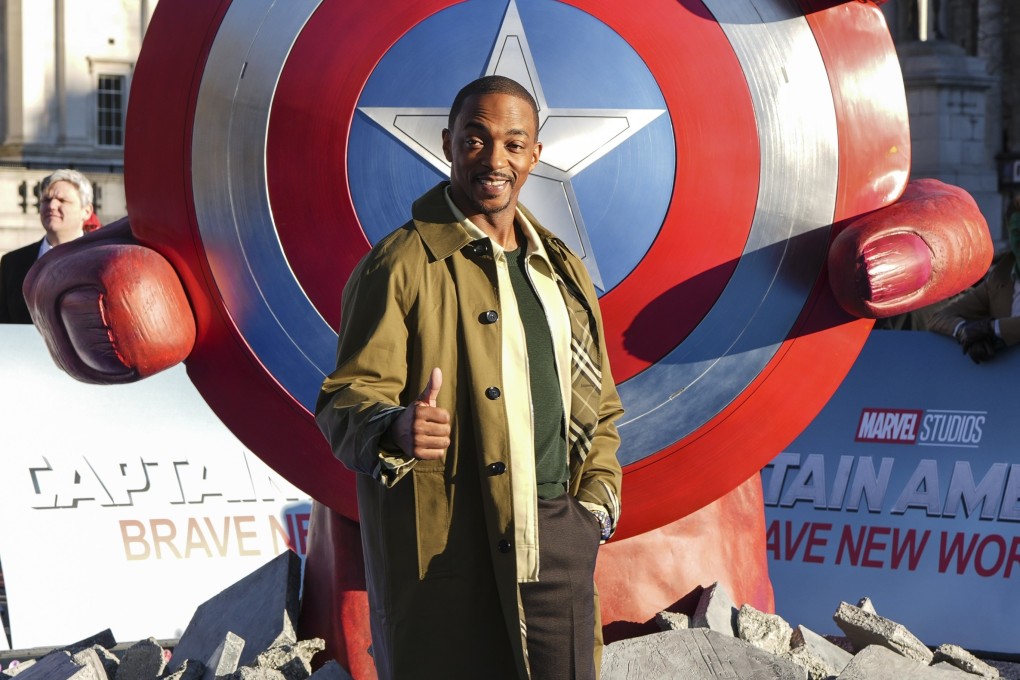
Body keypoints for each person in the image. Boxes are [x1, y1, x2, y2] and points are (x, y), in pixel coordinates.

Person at [315, 75, 623, 680]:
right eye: (476, 140)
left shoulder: (561, 270)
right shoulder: (398, 264)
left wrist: (594, 512)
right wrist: (395, 426)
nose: (495, 159)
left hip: (557, 538)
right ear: (447, 142)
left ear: (535, 155)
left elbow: (600, 406)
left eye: (514, 144)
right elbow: (343, 400)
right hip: (446, 546)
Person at [927, 196, 1020, 362]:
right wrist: (964, 331)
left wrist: (991, 329)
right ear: (1008, 231)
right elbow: (938, 318)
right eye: (1017, 232)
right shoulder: (998, 280)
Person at [0, 169, 94, 323]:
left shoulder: (100, 260)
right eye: (46, 200)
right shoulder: (12, 263)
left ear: (86, 211)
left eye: (62, 200)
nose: (52, 205)